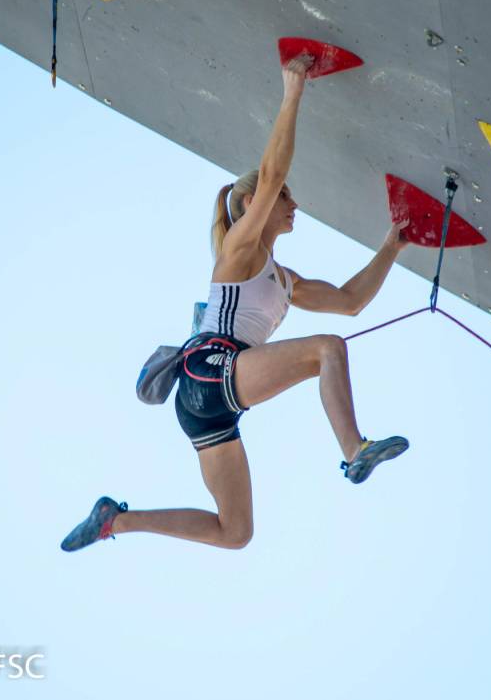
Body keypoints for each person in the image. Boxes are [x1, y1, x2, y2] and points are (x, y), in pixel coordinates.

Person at [61, 55, 412, 552]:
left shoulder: (285, 280)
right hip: (211, 369)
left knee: (236, 531)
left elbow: (351, 300)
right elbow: (269, 176)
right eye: (285, 198)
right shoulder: (240, 252)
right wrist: (293, 92)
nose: (293, 205)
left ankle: (113, 522)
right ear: (253, 206)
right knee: (327, 349)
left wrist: (393, 245)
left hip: (205, 404)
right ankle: (354, 449)